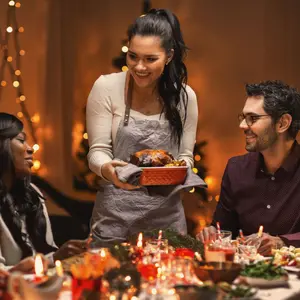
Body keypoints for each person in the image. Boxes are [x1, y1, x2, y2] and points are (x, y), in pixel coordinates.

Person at [86, 8, 198, 245]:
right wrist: (107, 169)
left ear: (168, 56)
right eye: (133, 56)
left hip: (166, 222)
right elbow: (97, 150)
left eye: (150, 59)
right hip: (114, 218)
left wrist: (173, 172)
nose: (139, 67)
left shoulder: (185, 97)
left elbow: (186, 157)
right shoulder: (106, 87)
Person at [197, 80, 300, 255]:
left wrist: (282, 242)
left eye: (253, 118)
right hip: (246, 275)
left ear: (283, 123)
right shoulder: (237, 169)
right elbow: (223, 229)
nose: (243, 126)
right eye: (243, 117)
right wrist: (213, 232)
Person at [0, 112, 86, 271]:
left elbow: (43, 258)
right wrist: (25, 268)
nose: (30, 148)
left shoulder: (32, 194)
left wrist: (58, 256)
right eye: (21, 140)